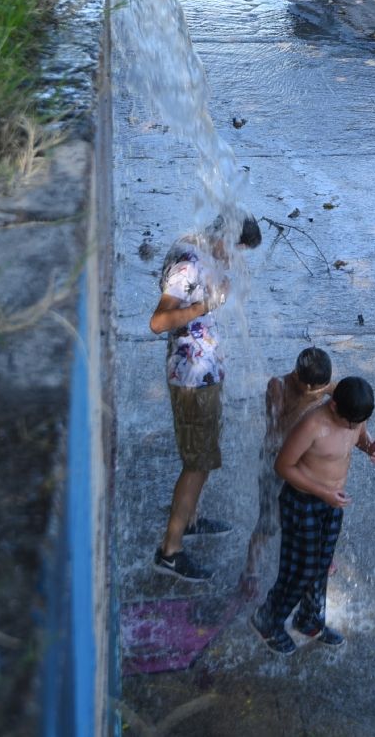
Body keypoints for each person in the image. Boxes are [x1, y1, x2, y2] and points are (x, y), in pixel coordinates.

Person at [149, 212, 262, 582]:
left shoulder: (199, 252)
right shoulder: (189, 263)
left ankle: (191, 519)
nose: (237, 258)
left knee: (203, 457)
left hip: (202, 374)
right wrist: (205, 306)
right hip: (191, 379)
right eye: (237, 250)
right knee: (196, 463)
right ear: (224, 239)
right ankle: (170, 551)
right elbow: (159, 321)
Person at [250, 376, 375, 655]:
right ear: (333, 406)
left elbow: (357, 437)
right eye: (350, 421)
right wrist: (322, 492)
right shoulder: (313, 425)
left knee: (321, 566)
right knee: (299, 570)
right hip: (302, 503)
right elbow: (283, 466)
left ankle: (309, 619)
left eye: (359, 422)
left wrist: (369, 446)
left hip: (331, 503)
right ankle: (267, 620)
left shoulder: (354, 418)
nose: (354, 427)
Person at [239, 347, 335, 596]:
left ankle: (315, 558)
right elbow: (277, 433)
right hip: (274, 463)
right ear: (297, 377)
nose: (320, 392)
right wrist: (307, 401)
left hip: (306, 463)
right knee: (270, 521)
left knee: (313, 513)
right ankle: (251, 570)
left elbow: (350, 400)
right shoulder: (278, 386)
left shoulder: (321, 386)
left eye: (322, 387)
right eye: (313, 388)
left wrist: (367, 440)